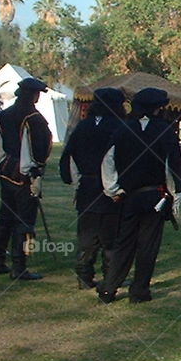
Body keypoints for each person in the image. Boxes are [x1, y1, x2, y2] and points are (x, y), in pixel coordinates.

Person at [99, 88, 181, 304]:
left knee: (124, 242)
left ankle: (109, 288)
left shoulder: (122, 130)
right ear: (157, 108)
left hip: (128, 195)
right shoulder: (165, 131)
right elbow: (172, 165)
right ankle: (139, 291)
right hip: (154, 195)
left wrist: (113, 189)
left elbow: (108, 161)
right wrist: (176, 194)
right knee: (148, 245)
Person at [59, 87, 127, 289]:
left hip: (87, 188)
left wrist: (73, 180)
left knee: (87, 237)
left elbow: (68, 159)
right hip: (111, 189)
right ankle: (110, 277)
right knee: (111, 238)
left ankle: (84, 277)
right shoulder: (120, 127)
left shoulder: (82, 127)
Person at [0, 76, 52, 280]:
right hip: (24, 174)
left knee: (5, 217)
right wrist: (34, 174)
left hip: (7, 171)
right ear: (33, 95)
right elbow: (38, 150)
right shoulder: (34, 118)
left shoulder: (5, 115)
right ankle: (19, 267)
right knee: (25, 222)